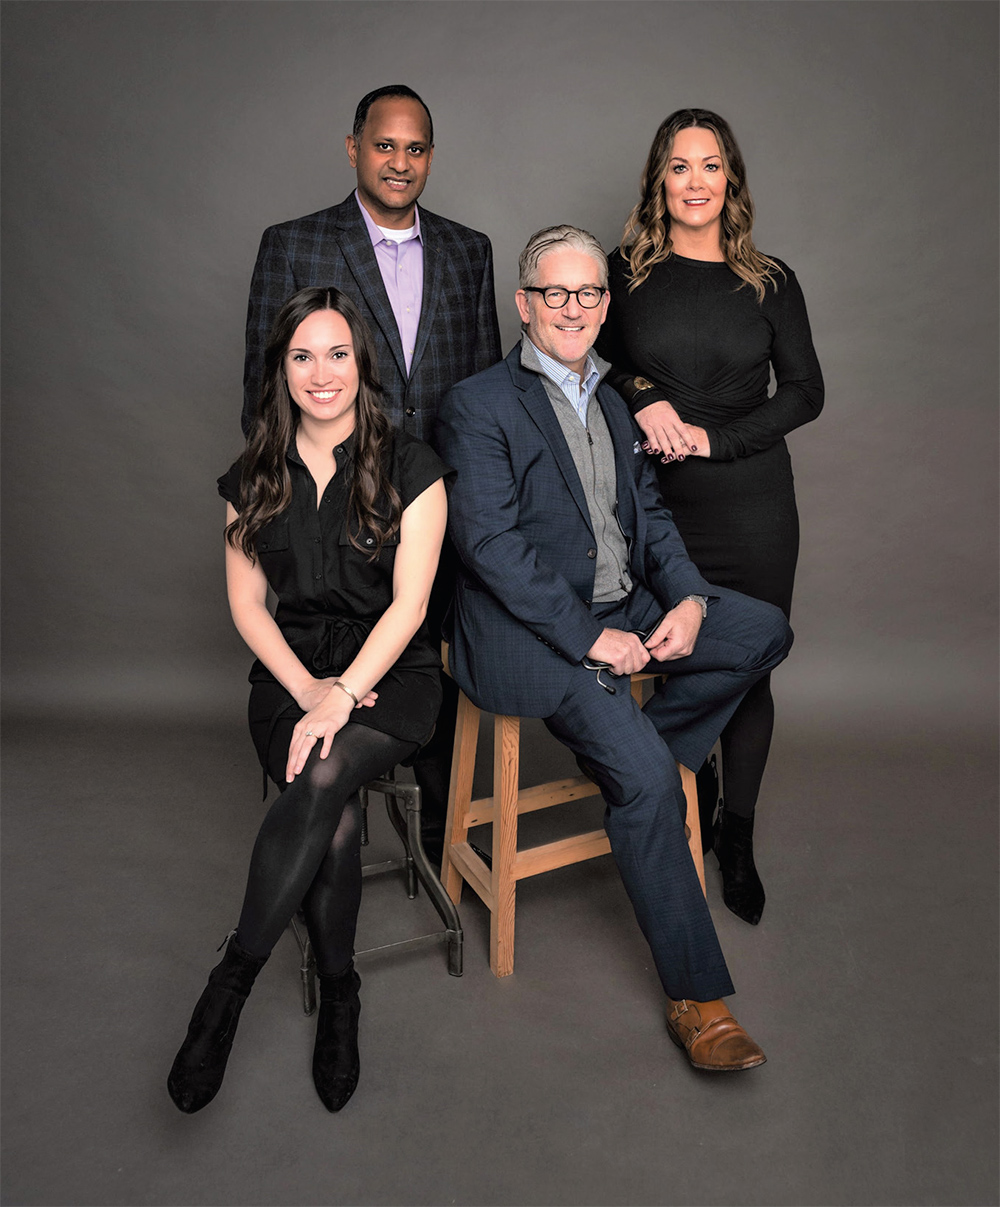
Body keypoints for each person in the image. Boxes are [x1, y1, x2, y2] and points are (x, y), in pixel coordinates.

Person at [436, 226, 792, 1072]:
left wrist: (692, 601)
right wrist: (592, 638)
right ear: (524, 304)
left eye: (589, 292)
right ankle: (698, 1001)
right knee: (649, 786)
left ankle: (642, 752)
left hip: (625, 606)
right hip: (537, 631)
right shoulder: (477, 404)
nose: (574, 308)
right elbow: (491, 548)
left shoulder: (616, 399)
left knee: (763, 631)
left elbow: (653, 521)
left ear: (605, 305)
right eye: (554, 293)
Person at [168, 287, 450, 1114]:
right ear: (280, 370)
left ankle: (230, 983)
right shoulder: (252, 476)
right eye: (301, 356)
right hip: (288, 675)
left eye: (337, 353)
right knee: (338, 816)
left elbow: (410, 607)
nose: (320, 373)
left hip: (391, 675)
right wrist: (307, 691)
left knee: (325, 771)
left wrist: (345, 696)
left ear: (361, 363)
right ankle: (341, 992)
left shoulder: (414, 466)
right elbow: (248, 605)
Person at [243, 84, 502, 865]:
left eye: (415, 148)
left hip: (436, 506)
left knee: (435, 659)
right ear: (353, 147)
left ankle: (438, 838)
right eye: (384, 144)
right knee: (346, 671)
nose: (399, 161)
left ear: (431, 156)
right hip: (337, 515)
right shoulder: (294, 244)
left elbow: (480, 393)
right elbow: (264, 397)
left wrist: (468, 504)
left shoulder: (469, 250)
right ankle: (331, 826)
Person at [595, 108, 824, 925]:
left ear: (732, 179)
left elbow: (806, 391)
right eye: (680, 166)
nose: (696, 182)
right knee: (680, 653)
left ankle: (737, 833)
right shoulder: (623, 273)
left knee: (751, 662)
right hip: (659, 506)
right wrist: (643, 393)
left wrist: (714, 439)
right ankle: (686, 802)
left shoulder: (770, 280)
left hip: (753, 504)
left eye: (711, 165)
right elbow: (586, 356)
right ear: (659, 180)